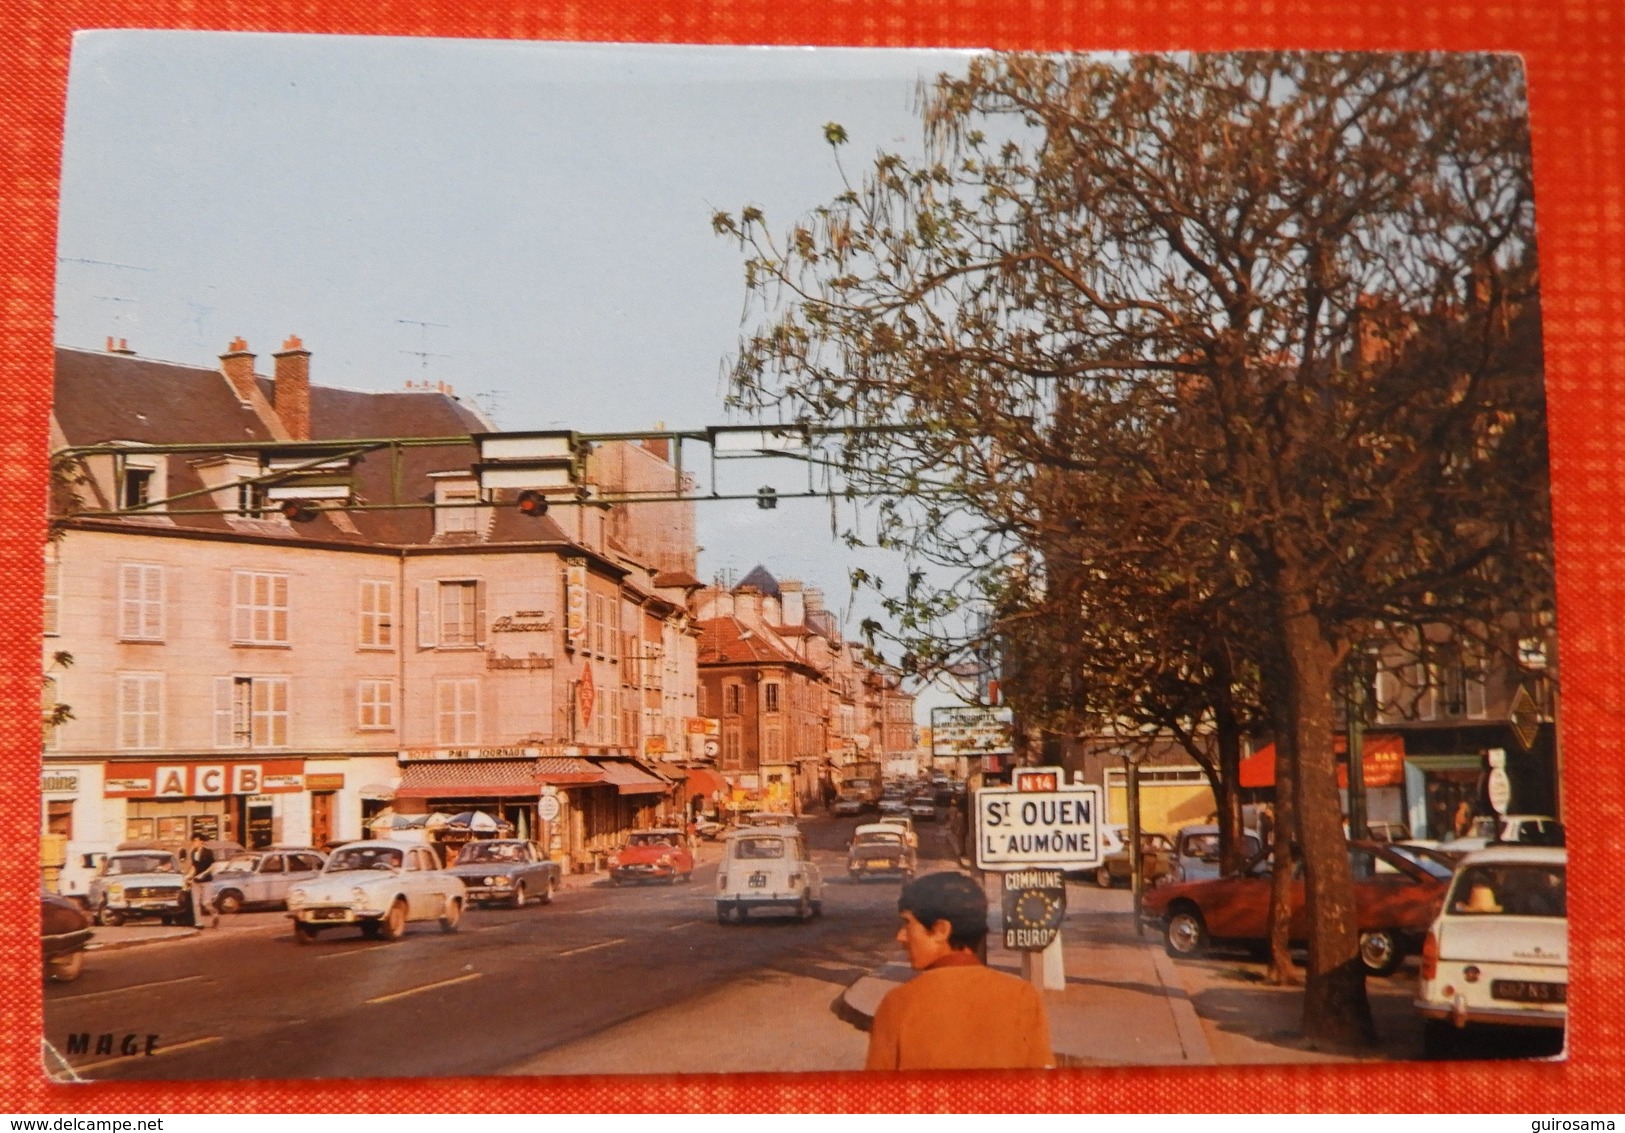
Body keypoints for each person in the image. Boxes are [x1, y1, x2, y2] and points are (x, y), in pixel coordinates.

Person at [865, 872, 1052, 1071]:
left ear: (941, 930)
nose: (901, 936)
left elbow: (877, 1095)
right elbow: (1041, 1089)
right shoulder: (1022, 996)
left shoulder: (898, 1003)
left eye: (908, 923)